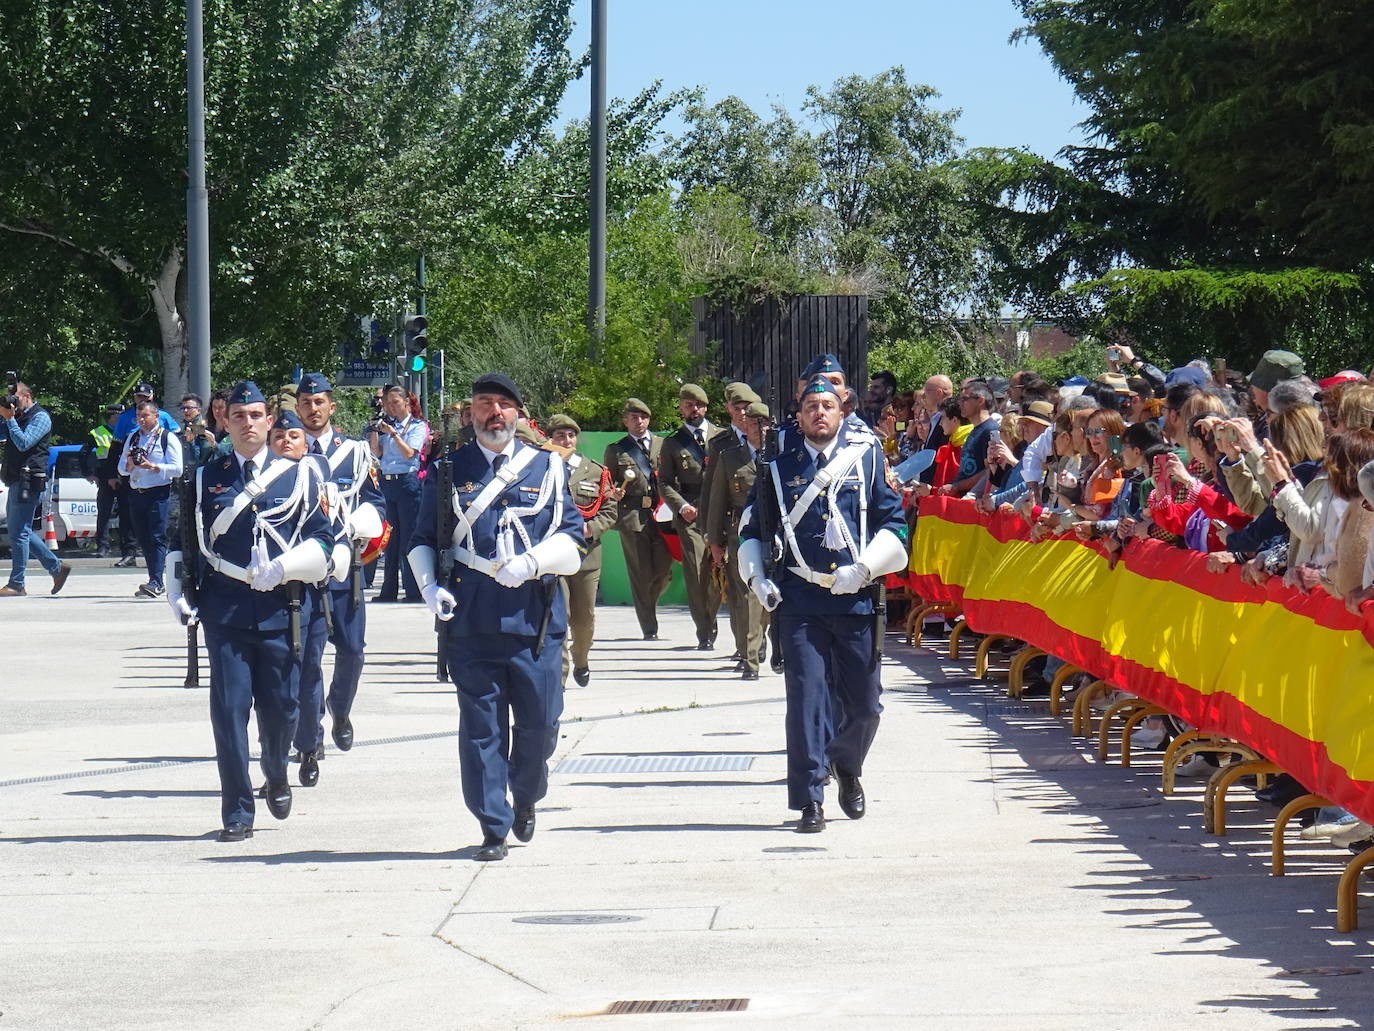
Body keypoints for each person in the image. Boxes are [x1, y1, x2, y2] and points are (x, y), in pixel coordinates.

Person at [408, 373, 583, 862]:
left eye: (505, 405)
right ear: (471, 413)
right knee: (481, 729)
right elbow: (422, 539)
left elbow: (573, 538)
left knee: (541, 725)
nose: (495, 413)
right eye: (485, 404)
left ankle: (526, 793)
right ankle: (492, 823)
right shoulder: (448, 471)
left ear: (519, 415)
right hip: (472, 621)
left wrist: (533, 562)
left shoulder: (547, 468)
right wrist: (429, 589)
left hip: (537, 622)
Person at [165, 381, 334, 841]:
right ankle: (237, 810)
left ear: (269, 420)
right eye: (238, 416)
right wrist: (176, 589)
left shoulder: (301, 475)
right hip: (226, 610)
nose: (248, 424)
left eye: (256, 415)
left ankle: (276, 770)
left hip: (285, 609)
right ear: (225, 421)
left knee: (282, 710)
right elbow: (180, 541)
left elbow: (325, 540)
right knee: (229, 710)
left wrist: (285, 566)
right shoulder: (204, 476)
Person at [739, 375, 906, 833]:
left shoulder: (867, 458)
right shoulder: (776, 464)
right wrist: (758, 578)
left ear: (841, 411)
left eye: (828, 405)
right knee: (807, 700)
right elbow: (753, 527)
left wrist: (867, 569)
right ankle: (809, 798)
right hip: (800, 600)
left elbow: (895, 525)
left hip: (855, 599)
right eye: (811, 405)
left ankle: (846, 764)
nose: (819, 413)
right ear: (800, 414)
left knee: (865, 707)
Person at [293, 373, 386, 771]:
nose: (313, 410)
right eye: (306, 404)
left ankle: (340, 707)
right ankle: (309, 739)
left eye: (320, 403)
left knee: (351, 649)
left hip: (346, 567)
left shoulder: (356, 453)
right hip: (303, 568)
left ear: (332, 406)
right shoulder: (288, 452)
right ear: (297, 409)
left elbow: (377, 502)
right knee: (307, 657)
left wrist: (366, 522)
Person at [546, 414, 618, 687]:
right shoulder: (541, 468)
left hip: (586, 555)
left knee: (584, 618)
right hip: (552, 555)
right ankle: (560, 676)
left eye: (570, 436)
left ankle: (581, 659)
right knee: (558, 616)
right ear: (550, 439)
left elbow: (610, 510)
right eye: (560, 436)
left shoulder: (594, 471)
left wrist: (592, 528)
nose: (566, 441)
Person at [705, 399, 771, 680]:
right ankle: (750, 656)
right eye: (754, 423)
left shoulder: (782, 455)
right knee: (746, 595)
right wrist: (715, 541)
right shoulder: (731, 456)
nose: (760, 429)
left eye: (765, 423)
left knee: (769, 595)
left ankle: (762, 638)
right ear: (745, 424)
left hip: (775, 534)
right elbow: (717, 500)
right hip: (741, 535)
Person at [658, 383, 722, 650]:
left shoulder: (721, 437)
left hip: (719, 510)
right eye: (688, 405)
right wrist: (681, 506)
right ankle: (704, 630)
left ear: (705, 407)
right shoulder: (673, 442)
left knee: (720, 569)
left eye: (697, 405)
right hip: (691, 513)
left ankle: (713, 615)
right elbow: (664, 482)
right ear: (681, 408)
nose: (693, 409)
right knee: (697, 573)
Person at [603, 398, 673, 640]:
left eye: (642, 417)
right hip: (633, 517)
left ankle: (648, 603)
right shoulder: (616, 450)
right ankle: (649, 627)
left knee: (664, 572)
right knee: (641, 574)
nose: (639, 422)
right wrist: (614, 493)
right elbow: (607, 484)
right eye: (633, 418)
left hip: (662, 515)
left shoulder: (664, 445)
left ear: (649, 420)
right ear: (626, 421)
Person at [0, 380, 73, 597]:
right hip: (16, 478)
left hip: (30, 480)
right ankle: (57, 568)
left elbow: (24, 442)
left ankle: (17, 583)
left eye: (16, 399)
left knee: (19, 532)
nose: (13, 403)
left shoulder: (41, 417)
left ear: (27, 397)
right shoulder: (16, 416)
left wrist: (10, 419)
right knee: (19, 530)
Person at [118, 400, 184, 598]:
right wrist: (130, 464)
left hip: (158, 492)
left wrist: (153, 467)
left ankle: (157, 581)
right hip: (137, 492)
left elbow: (178, 468)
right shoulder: (132, 438)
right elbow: (121, 468)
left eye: (145, 416)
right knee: (143, 538)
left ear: (156, 416)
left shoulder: (167, 437)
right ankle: (153, 578)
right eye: (139, 417)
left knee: (157, 536)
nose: (141, 420)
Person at [368, 384, 426, 602]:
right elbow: (377, 453)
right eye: (387, 403)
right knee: (389, 539)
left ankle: (413, 590)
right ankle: (388, 590)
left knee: (408, 539)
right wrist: (375, 431)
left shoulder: (417, 426)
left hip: (407, 483)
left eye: (395, 402)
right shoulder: (386, 425)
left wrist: (393, 434)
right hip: (388, 482)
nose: (391, 407)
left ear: (406, 402)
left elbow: (410, 453)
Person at [81, 403, 124, 558]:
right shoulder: (98, 432)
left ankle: (127, 547)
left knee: (127, 514)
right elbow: (83, 453)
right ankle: (103, 546)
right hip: (105, 476)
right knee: (104, 513)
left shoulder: (127, 431)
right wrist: (88, 473)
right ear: (113, 415)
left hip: (124, 475)